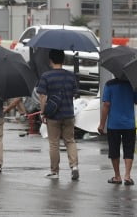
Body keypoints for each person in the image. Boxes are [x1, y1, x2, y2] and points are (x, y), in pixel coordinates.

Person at [38, 49, 80, 180]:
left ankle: (55, 171)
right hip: (68, 114)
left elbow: (43, 96)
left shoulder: (46, 76)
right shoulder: (70, 75)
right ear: (63, 60)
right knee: (70, 141)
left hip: (53, 116)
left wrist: (42, 112)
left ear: (50, 60)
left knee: (54, 143)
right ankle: (74, 167)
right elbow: (74, 93)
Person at [97, 78, 137, 186]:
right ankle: (127, 176)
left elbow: (106, 105)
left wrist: (102, 124)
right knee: (129, 150)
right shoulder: (133, 84)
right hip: (129, 124)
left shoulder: (109, 84)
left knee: (114, 150)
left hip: (114, 124)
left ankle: (117, 176)